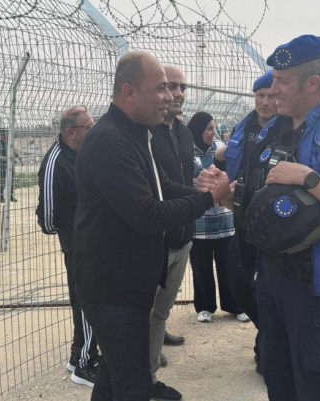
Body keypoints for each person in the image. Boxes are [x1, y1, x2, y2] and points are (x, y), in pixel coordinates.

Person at [200, 34, 320, 400]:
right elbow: (263, 204)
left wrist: (310, 180)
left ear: (312, 82)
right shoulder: (273, 131)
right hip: (271, 278)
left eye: (281, 82)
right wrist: (227, 190)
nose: (272, 90)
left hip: (319, 286)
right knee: (278, 379)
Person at [73, 51, 230, 401]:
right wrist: (208, 199)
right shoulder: (110, 141)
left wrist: (202, 188)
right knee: (133, 384)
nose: (170, 96)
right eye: (160, 88)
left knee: (115, 373)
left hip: (127, 282)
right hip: (113, 287)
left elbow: (164, 187)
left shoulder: (135, 134)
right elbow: (147, 214)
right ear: (129, 92)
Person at [216, 69, 277, 374]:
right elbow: (228, 159)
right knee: (238, 283)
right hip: (242, 215)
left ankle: (268, 348)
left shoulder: (288, 128)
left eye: (270, 96)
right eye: (259, 96)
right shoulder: (244, 126)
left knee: (269, 287)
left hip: (275, 222)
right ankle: (267, 332)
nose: (265, 102)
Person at [36, 106, 99, 387]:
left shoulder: (85, 154)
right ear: (71, 132)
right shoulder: (55, 161)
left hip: (93, 239)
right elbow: (47, 216)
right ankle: (84, 365)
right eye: (89, 126)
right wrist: (68, 232)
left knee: (89, 299)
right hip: (77, 244)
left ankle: (78, 356)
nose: (93, 129)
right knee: (88, 302)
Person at [147, 65, 195, 398]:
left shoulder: (184, 132)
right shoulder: (146, 134)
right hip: (157, 239)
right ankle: (145, 378)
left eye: (181, 87)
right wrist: (203, 196)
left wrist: (203, 186)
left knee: (162, 310)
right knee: (145, 310)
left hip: (184, 235)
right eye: (170, 86)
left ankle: (151, 355)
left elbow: (186, 180)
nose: (177, 93)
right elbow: (160, 189)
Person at [186, 111, 246, 323]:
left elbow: (224, 176)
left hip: (223, 219)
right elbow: (195, 179)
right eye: (208, 128)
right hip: (199, 222)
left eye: (214, 128)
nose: (212, 133)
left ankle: (235, 305)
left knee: (229, 266)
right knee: (201, 267)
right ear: (198, 129)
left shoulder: (220, 150)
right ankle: (204, 306)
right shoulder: (186, 151)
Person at [0, 130, 19, 203]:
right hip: (2, 165)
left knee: (11, 180)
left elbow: (14, 152)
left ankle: (10, 196)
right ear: (1, 135)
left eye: (6, 135)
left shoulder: (9, 143)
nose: (5, 136)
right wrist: (3, 157)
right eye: (3, 135)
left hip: (10, 165)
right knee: (2, 181)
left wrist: (16, 155)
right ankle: (1, 197)